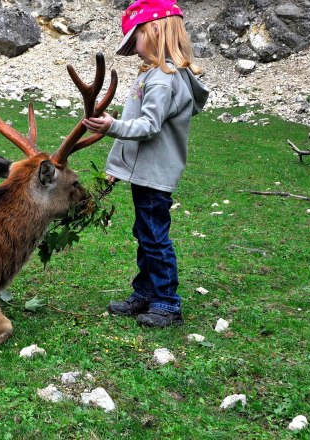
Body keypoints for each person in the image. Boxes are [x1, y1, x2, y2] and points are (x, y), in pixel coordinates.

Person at [82, 0, 209, 327]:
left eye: (134, 38)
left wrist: (112, 127)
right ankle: (145, 292)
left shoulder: (164, 79)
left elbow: (148, 127)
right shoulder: (153, 75)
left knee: (154, 236)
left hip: (155, 176)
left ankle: (167, 302)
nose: (134, 49)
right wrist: (116, 170)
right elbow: (137, 130)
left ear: (154, 30)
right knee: (145, 233)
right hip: (145, 174)